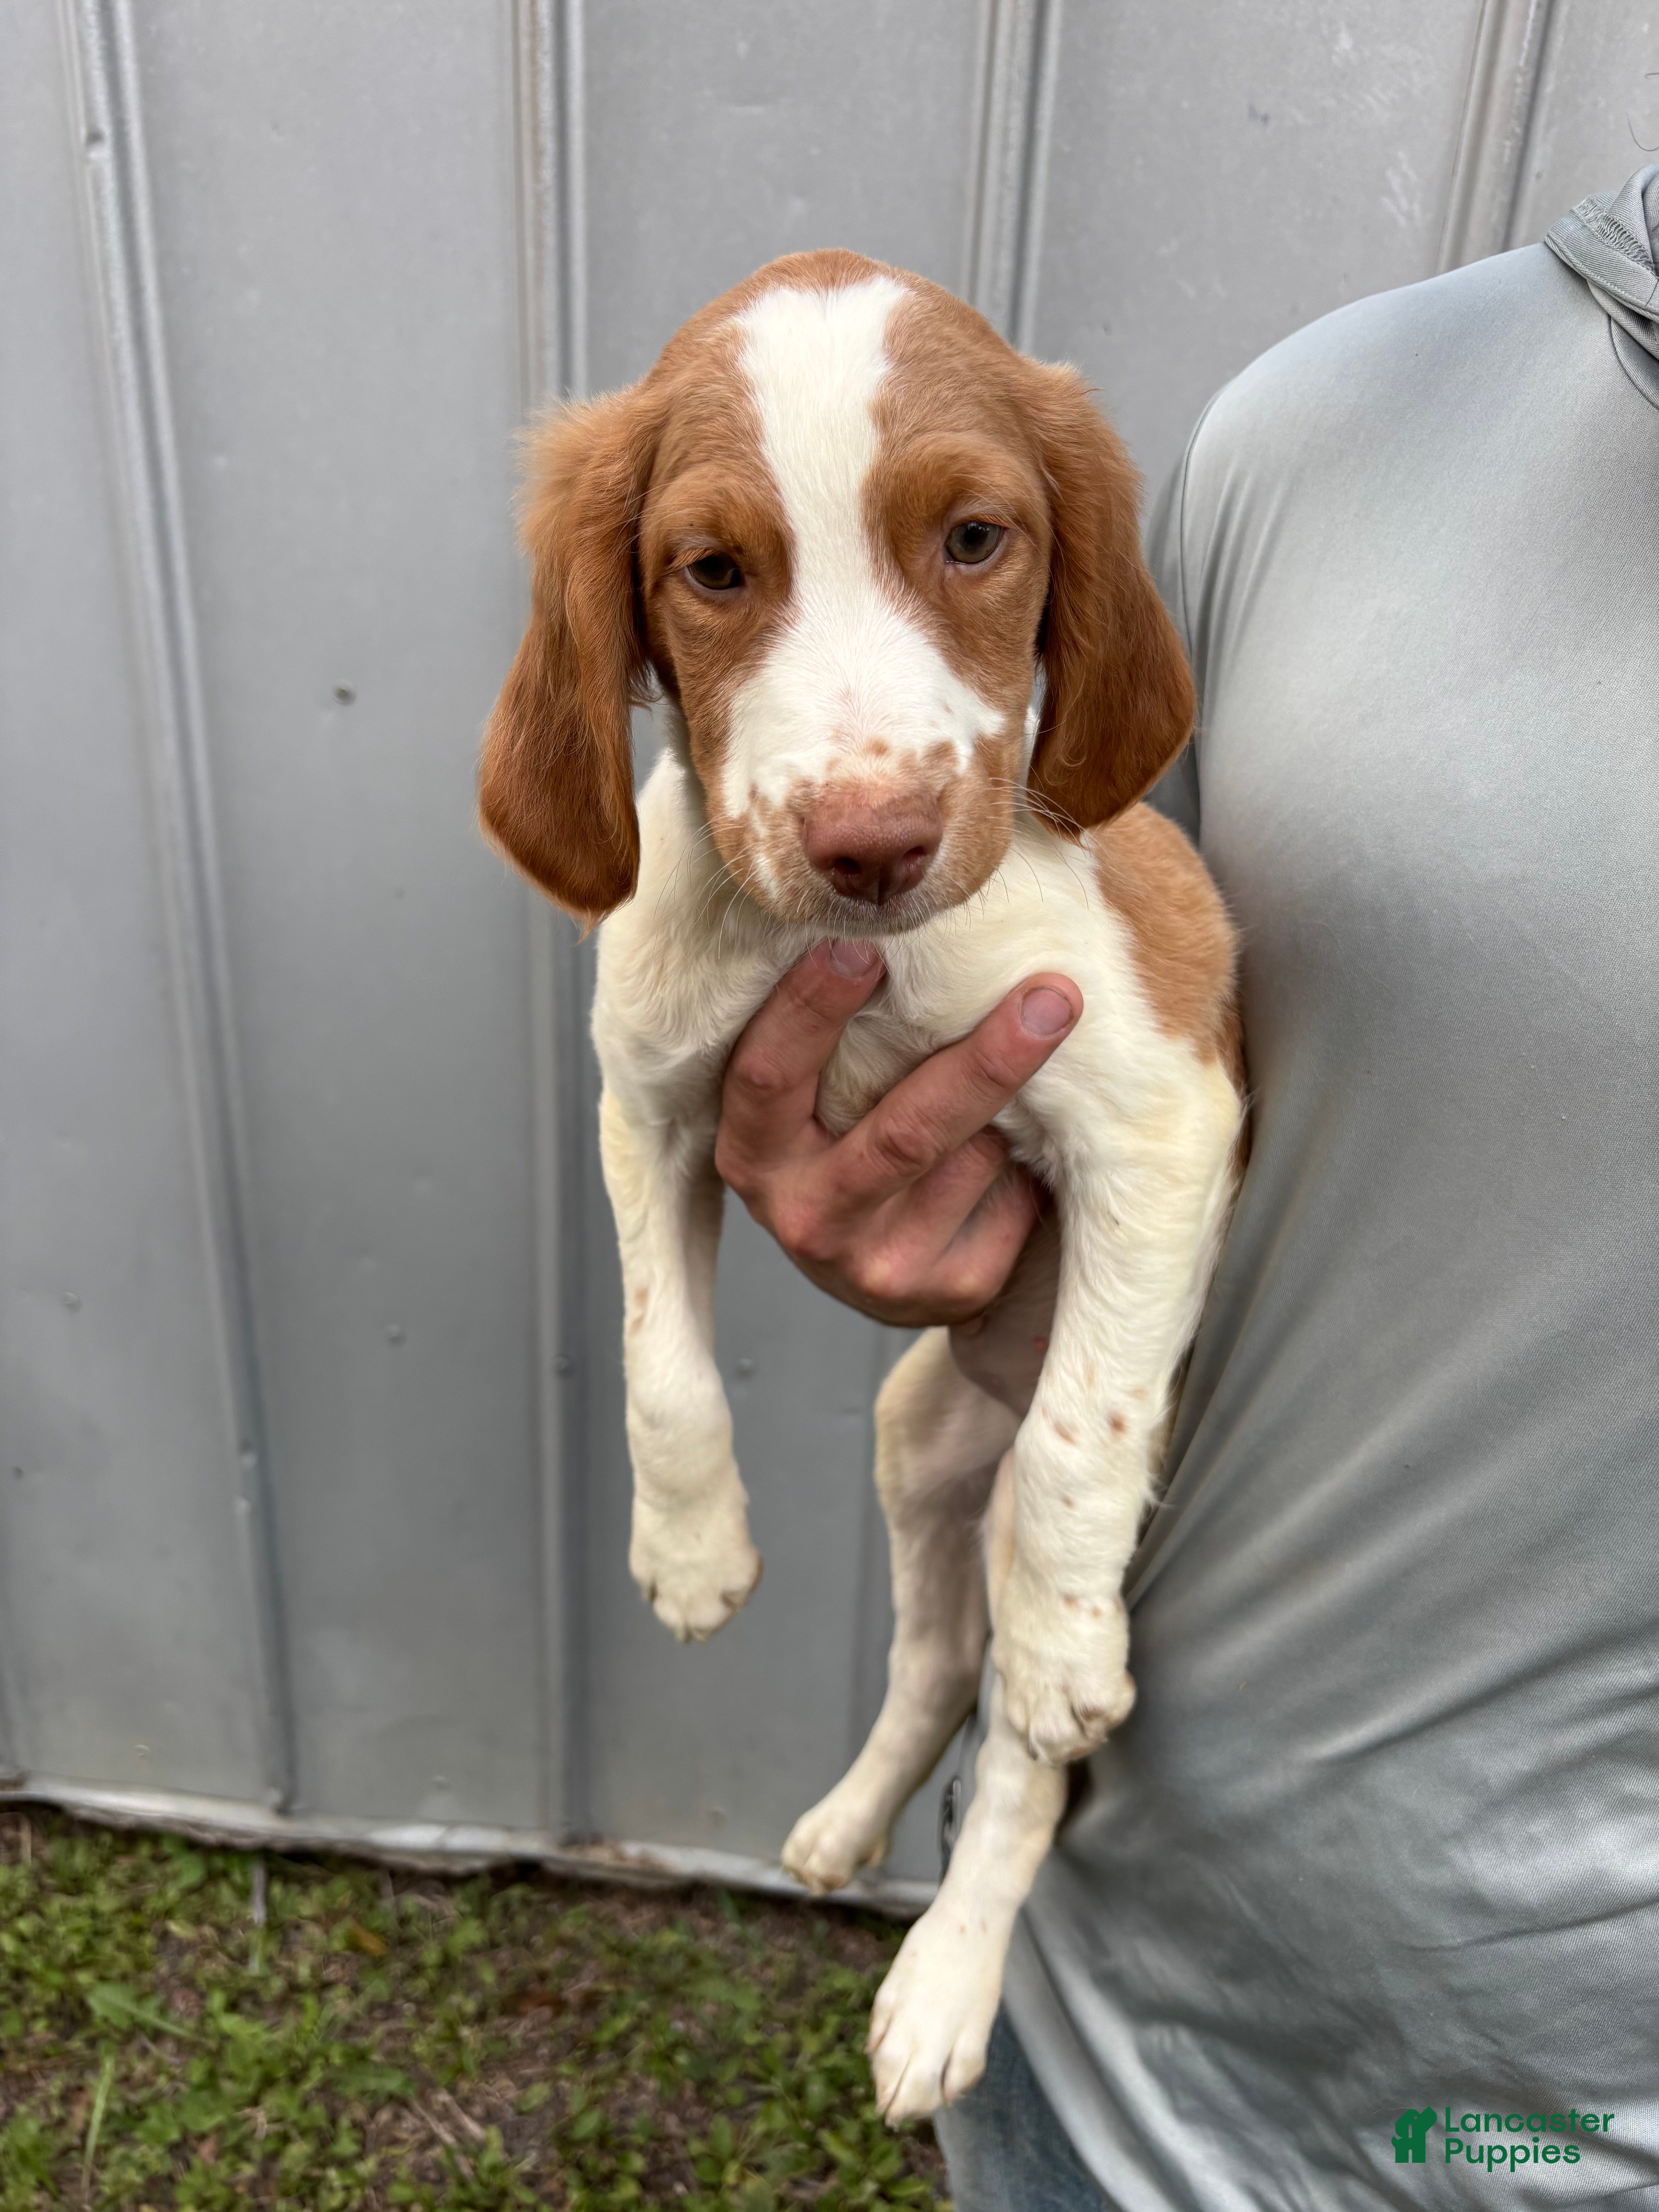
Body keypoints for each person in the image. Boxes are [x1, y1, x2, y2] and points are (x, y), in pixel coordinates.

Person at [713, 167, 1659, 2209]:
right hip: (1091, 1964)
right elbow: (1139, 1074)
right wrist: (943, 1201)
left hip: (1567, 2116)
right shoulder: (1336, 423)